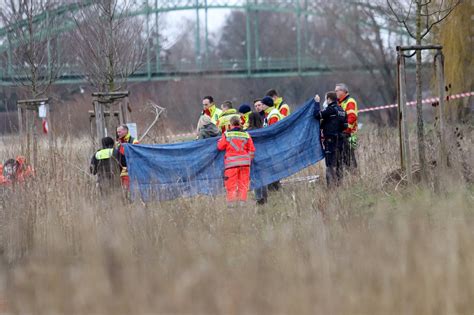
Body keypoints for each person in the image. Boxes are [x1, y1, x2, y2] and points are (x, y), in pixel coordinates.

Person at [217, 116, 255, 205]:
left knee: (231, 185)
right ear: (240, 123)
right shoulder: (246, 134)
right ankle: (242, 204)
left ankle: (232, 205)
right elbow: (252, 150)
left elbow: (220, 147)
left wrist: (220, 140)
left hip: (231, 165)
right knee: (243, 184)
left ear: (230, 124)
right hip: (245, 164)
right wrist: (248, 160)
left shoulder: (227, 134)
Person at [314, 92, 347, 187]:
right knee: (339, 163)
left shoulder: (330, 110)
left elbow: (316, 115)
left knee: (330, 164)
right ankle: (339, 185)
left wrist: (317, 103)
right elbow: (345, 126)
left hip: (330, 140)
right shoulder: (342, 110)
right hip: (340, 140)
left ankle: (330, 187)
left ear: (329, 99)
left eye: (325, 99)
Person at [260, 96, 283, 191]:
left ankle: (275, 187)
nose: (261, 106)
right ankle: (273, 186)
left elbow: (272, 130)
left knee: (273, 165)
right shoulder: (268, 114)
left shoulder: (273, 114)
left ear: (266, 105)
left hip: (273, 144)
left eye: (262, 104)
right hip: (270, 144)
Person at [335, 83, 358, 169]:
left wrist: (344, 130)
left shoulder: (350, 101)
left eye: (337, 90)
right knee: (343, 157)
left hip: (350, 134)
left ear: (343, 91)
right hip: (343, 134)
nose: (335, 92)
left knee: (349, 157)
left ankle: (353, 176)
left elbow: (352, 118)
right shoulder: (340, 103)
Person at [246, 111, 267, 205]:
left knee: (255, 177)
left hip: (251, 156)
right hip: (263, 155)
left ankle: (259, 198)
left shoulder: (247, 132)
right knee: (264, 177)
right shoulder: (264, 131)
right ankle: (264, 197)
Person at [116, 124, 139, 190]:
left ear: (125, 131)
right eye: (117, 132)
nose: (118, 134)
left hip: (131, 169)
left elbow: (137, 156)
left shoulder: (134, 141)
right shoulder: (118, 142)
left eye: (119, 132)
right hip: (121, 170)